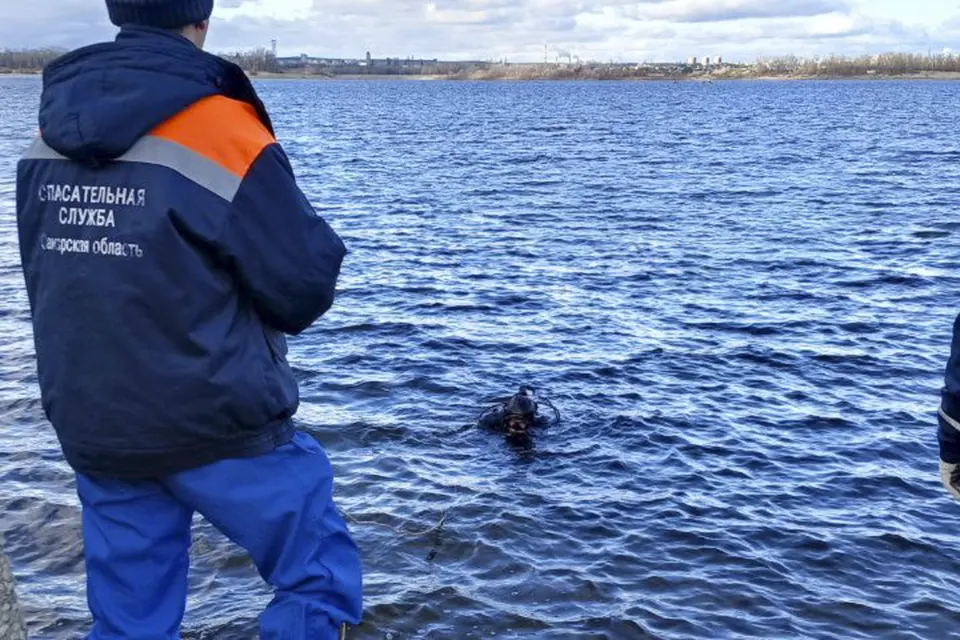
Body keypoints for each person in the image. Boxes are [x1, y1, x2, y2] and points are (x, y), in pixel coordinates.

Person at [15, 1, 362, 638]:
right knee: (318, 577)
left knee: (128, 622)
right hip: (216, 419)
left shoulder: (44, 137)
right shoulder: (221, 127)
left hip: (99, 423)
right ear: (201, 20)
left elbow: (51, 276)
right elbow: (304, 286)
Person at [478, 386, 554, 438]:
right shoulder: (491, 420)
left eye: (522, 423)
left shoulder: (539, 422)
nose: (517, 427)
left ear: (530, 423)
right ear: (506, 421)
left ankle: (524, 392)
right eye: (513, 423)